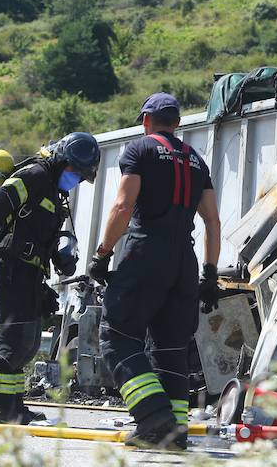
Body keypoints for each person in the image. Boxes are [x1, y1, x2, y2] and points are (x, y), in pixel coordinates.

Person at [88, 92, 221, 450]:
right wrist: (209, 273)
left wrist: (102, 253)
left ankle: (152, 416)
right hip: (184, 259)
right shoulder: (196, 159)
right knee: (170, 347)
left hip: (145, 251)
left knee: (116, 336)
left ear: (146, 120)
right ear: (177, 123)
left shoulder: (139, 150)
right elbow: (211, 219)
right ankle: (174, 432)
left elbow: (123, 204)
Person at [0, 132, 100, 424]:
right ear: (61, 161)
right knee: (13, 337)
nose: (76, 179)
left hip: (30, 269)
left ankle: (13, 406)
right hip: (13, 265)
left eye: (81, 176)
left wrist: (62, 258)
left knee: (27, 341)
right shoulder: (34, 176)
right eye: (74, 172)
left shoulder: (53, 189)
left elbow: (48, 232)